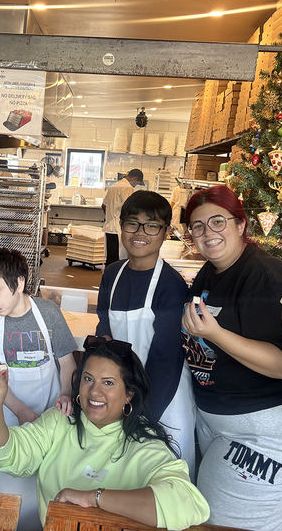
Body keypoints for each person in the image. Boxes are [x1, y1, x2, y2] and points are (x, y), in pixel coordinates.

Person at [180, 185, 282, 531]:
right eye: (198, 226)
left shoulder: (267, 278)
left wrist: (215, 333)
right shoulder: (214, 270)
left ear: (241, 224)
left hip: (268, 439)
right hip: (223, 427)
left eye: (217, 221)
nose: (207, 233)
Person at [0, 335, 209, 529]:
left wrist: (93, 498)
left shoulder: (144, 446)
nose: (94, 392)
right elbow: (8, 457)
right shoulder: (60, 421)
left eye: (108, 383)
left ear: (128, 394)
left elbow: (188, 503)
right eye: (88, 379)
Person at [0, 247, 77, 531]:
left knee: (51, 488)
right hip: (10, 417)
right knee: (12, 492)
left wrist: (66, 394)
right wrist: (21, 411)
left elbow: (67, 364)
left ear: (19, 283)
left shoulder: (49, 313)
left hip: (51, 413)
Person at [96, 191, 195, 475]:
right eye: (132, 223)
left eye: (151, 226)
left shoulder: (171, 285)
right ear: (121, 226)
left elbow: (167, 359)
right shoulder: (112, 274)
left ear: (165, 232)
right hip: (123, 392)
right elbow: (105, 322)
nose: (140, 233)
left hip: (163, 398)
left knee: (160, 476)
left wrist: (142, 415)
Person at [102, 169, 143, 267]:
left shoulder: (115, 185)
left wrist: (110, 216)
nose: (135, 185)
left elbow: (103, 205)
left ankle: (108, 280)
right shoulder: (127, 187)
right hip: (119, 229)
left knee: (110, 259)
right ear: (135, 178)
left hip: (109, 227)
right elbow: (129, 209)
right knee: (118, 261)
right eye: (137, 183)